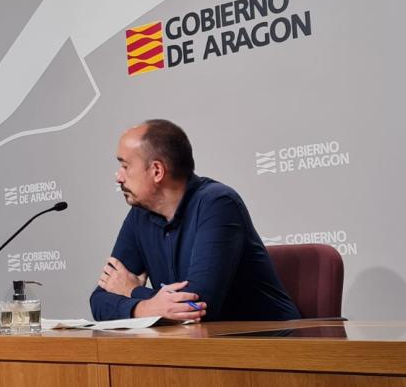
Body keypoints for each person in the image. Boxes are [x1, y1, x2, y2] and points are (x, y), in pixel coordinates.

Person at [90, 120, 299, 322]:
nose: (118, 177)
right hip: (198, 345)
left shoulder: (218, 204)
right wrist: (144, 308)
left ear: (156, 171)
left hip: (270, 343)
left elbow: (198, 305)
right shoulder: (139, 216)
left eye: (125, 166)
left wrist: (131, 291)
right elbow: (99, 299)